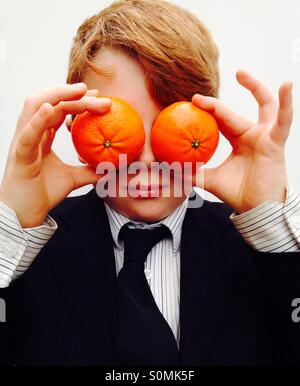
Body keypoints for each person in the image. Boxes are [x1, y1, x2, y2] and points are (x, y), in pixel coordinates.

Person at [0, 0, 300, 366]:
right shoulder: (26, 252)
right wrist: (11, 224)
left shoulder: (257, 252)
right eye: (116, 123)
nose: (144, 161)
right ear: (74, 127)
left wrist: (273, 227)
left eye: (168, 125)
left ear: (208, 125)